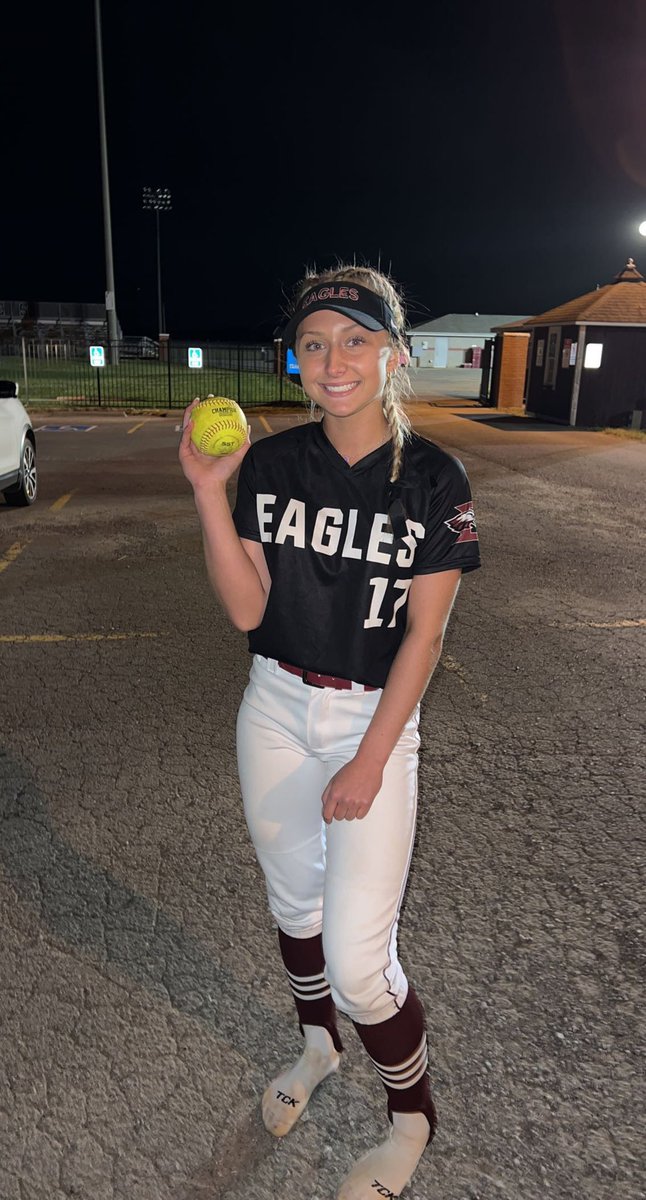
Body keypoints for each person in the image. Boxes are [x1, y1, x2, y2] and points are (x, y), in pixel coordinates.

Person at [179, 264, 481, 1199]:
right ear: (297, 362)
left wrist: (371, 756)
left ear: (393, 354)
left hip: (369, 716)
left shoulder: (435, 478)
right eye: (314, 344)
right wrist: (207, 490)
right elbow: (244, 610)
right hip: (273, 701)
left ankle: (411, 1116)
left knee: (358, 958)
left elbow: (425, 635)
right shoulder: (269, 464)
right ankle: (316, 1047)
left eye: (355, 340)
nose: (333, 360)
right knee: (293, 903)